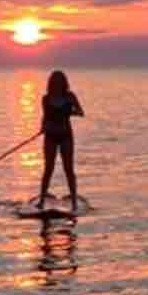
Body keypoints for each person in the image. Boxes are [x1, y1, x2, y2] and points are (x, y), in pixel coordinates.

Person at [39, 70, 84, 211]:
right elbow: (45, 117)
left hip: (66, 136)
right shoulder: (46, 99)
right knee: (48, 169)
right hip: (50, 136)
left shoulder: (70, 96)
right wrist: (43, 127)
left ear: (63, 82)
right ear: (51, 83)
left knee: (68, 169)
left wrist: (69, 112)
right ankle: (41, 201)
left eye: (60, 81)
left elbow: (81, 112)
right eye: (55, 81)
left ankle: (74, 201)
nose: (57, 83)